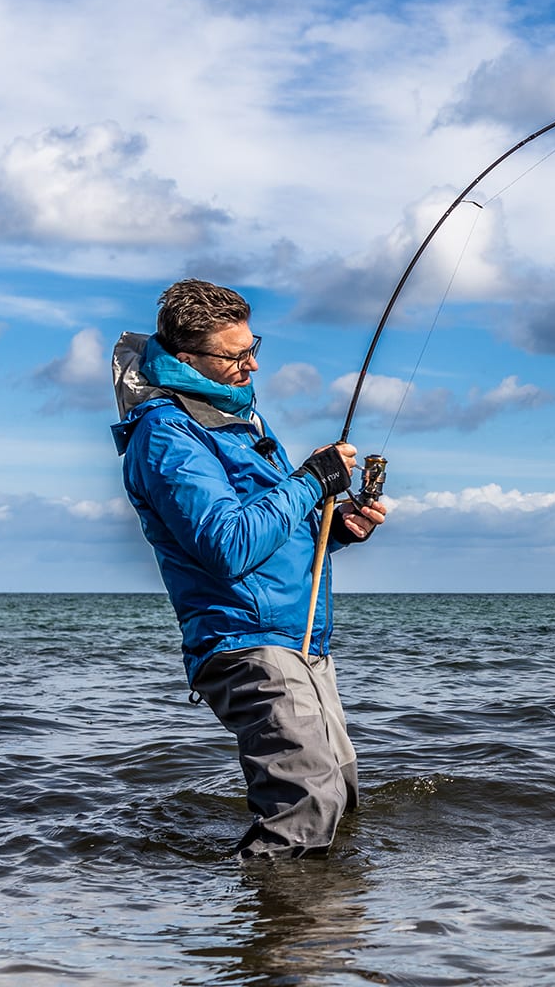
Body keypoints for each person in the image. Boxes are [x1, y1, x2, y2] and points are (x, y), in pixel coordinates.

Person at [110, 279, 386, 859]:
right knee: (307, 806)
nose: (253, 364)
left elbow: (270, 536)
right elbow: (228, 546)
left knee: (341, 794)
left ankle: (327, 933)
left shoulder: (240, 423)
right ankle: (278, 939)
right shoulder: (167, 435)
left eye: (252, 346)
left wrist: (334, 529)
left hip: (300, 637)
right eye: (235, 355)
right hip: (246, 642)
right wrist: (312, 480)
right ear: (186, 359)